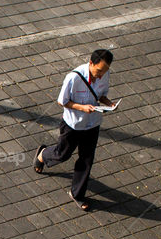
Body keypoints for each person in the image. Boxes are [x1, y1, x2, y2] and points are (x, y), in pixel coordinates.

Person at [34, 49, 115, 211]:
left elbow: (101, 96)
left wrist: (109, 104)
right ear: (91, 63)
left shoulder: (104, 74)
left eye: (105, 71)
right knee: (62, 154)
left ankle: (77, 194)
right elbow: (62, 101)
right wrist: (81, 107)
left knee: (86, 159)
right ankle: (43, 155)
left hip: (92, 124)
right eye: (99, 71)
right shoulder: (74, 77)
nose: (101, 75)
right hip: (73, 124)